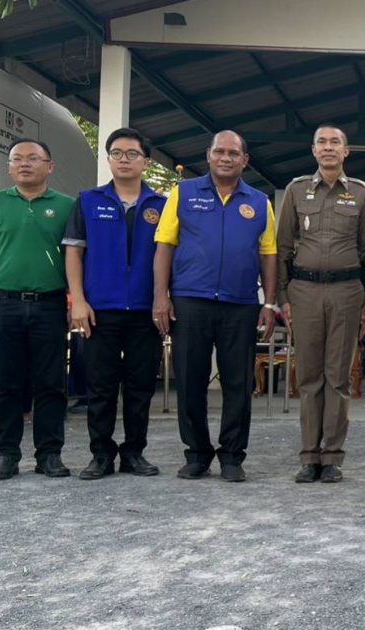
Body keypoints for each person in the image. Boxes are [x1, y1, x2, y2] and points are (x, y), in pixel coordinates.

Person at [152, 130, 278, 483]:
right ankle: (196, 454)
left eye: (233, 153)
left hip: (240, 304)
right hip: (190, 300)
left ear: (244, 160)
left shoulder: (260, 202)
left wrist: (269, 303)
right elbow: (164, 245)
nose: (226, 158)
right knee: (190, 380)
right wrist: (160, 296)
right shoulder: (183, 193)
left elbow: (269, 254)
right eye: (219, 151)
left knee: (238, 383)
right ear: (208, 155)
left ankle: (232, 457)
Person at [0, 138, 74, 479]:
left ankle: (49, 454)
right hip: (2, 303)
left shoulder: (67, 206)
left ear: (50, 166)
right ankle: (6, 453)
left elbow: (75, 259)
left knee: (51, 383)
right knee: (3, 383)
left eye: (33, 158)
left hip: (50, 305)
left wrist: (74, 301)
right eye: (17, 159)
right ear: (9, 167)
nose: (24, 164)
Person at [276, 123, 365, 484]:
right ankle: (309, 456)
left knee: (338, 377)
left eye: (335, 142)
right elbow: (282, 247)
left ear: (346, 151)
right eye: (322, 142)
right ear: (314, 150)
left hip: (347, 291)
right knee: (308, 376)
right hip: (304, 292)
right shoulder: (296, 190)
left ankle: (332, 456)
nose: (329, 147)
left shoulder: (362, 194)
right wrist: (282, 298)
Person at [64, 127, 165, 480]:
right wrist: (78, 300)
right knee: (100, 387)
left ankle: (134, 452)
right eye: (117, 153)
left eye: (132, 154)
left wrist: (163, 299)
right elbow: (74, 253)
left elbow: (170, 257)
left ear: (145, 162)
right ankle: (101, 455)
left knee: (140, 387)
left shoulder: (162, 205)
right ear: (108, 159)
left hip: (145, 312)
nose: (124, 160)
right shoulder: (88, 201)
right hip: (99, 311)